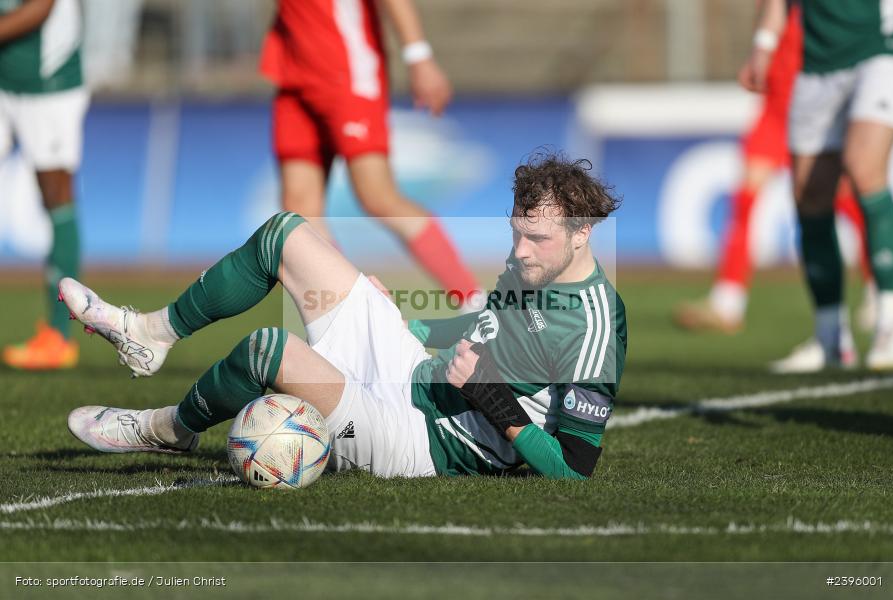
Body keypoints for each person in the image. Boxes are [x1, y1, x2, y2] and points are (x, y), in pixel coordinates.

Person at [61, 153, 626, 480]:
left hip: (424, 442)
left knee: (268, 350)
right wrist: (404, 321)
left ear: (583, 233)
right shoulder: (532, 264)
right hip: (411, 373)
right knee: (284, 234)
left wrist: (495, 399)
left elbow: (573, 471)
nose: (521, 251)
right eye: (516, 234)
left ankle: (167, 430)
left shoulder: (595, 327)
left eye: (538, 239)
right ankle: (148, 333)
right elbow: (485, 328)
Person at [675, 2, 875, 341]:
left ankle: (879, 289)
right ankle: (728, 300)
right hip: (774, 111)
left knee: (845, 202)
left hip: (811, 108)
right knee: (746, 200)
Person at [260, 0, 481, 304]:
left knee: (378, 197)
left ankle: (474, 300)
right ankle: (353, 313)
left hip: (346, 70)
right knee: (300, 210)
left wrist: (419, 57)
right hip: (294, 73)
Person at [741, 0, 893, 372]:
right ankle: (831, 338)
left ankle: (892, 323)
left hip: (879, 54)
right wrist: (763, 47)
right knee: (808, 195)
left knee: (864, 168)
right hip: (816, 68)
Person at [0, 0, 88, 370]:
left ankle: (57, 336)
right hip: (3, 81)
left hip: (49, 84)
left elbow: (40, 7)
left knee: (56, 198)